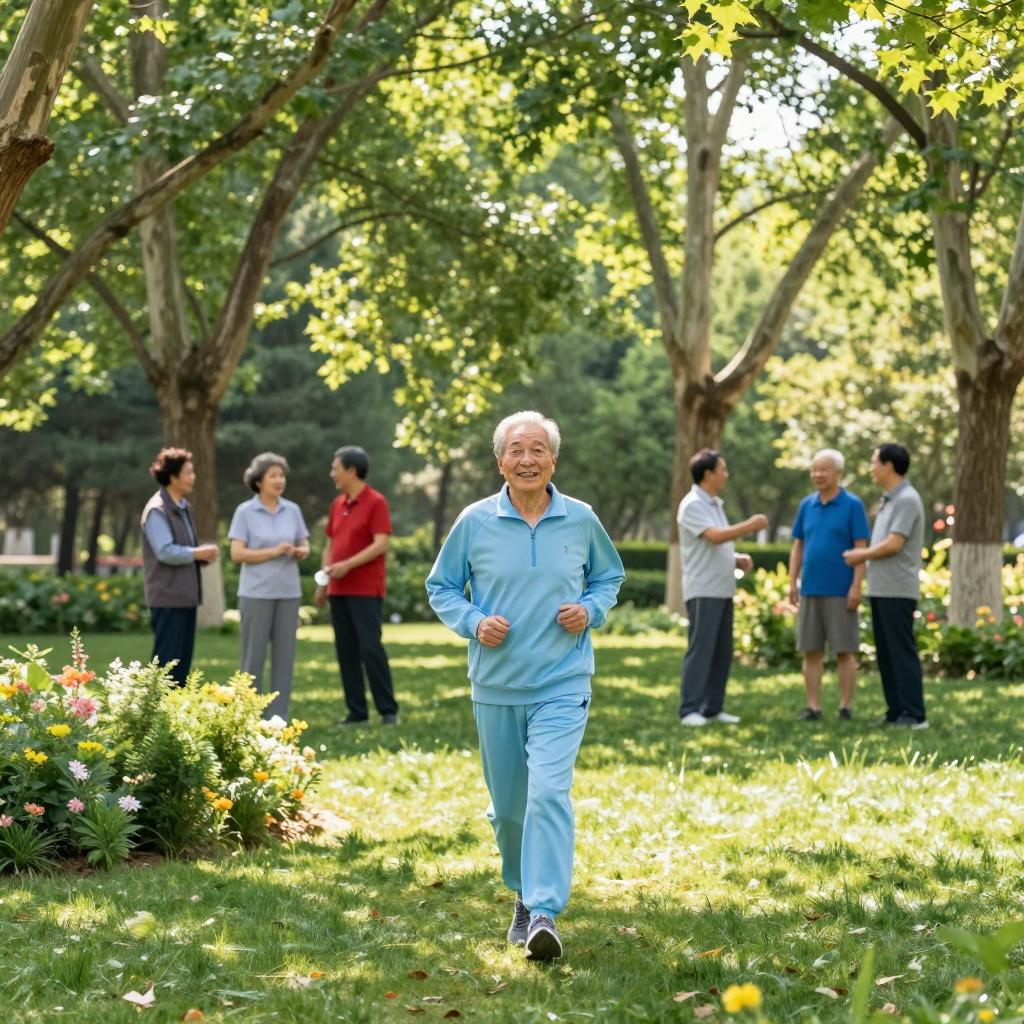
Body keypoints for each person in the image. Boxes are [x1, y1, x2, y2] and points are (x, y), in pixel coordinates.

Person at [426, 410, 624, 962]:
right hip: (496, 685)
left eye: (538, 449)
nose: (528, 459)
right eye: (517, 450)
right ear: (500, 461)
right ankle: (521, 888)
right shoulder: (474, 521)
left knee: (548, 793)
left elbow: (609, 577)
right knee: (509, 808)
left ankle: (543, 911)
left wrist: (589, 609)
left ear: (553, 460)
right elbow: (442, 587)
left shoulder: (581, 519)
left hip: (563, 681)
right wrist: (473, 621)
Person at [677, 449, 768, 726]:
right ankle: (689, 709)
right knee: (701, 650)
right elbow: (714, 536)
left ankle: (712, 708)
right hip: (703, 589)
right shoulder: (692, 504)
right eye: (722, 470)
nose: (726, 475)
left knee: (721, 651)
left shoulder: (714, 504)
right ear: (708, 474)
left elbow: (714, 543)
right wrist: (749, 526)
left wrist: (735, 557)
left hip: (722, 588)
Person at [843, 443, 928, 729]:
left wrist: (860, 556)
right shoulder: (890, 499)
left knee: (900, 651)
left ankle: (914, 714)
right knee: (887, 653)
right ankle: (896, 711)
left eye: (874, 462)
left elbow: (893, 544)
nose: (871, 468)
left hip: (897, 589)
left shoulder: (907, 499)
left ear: (889, 465)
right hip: (881, 588)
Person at [314, 446, 399, 726]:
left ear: (351, 470)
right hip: (338, 590)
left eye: (334, 468)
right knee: (346, 651)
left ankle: (388, 711)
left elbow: (380, 544)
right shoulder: (337, 504)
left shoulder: (376, 502)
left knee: (370, 648)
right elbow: (329, 544)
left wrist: (348, 565)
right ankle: (357, 713)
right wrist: (324, 579)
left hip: (365, 589)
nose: (331, 473)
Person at [788, 449, 870, 721]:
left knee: (844, 650)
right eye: (814, 469)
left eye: (823, 469)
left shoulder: (852, 505)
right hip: (811, 588)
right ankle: (813, 706)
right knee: (811, 650)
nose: (818, 475)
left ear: (838, 473)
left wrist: (856, 585)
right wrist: (792, 581)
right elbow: (798, 546)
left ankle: (845, 706)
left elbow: (861, 549)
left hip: (841, 590)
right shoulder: (806, 505)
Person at [228, 453, 310, 719]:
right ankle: (248, 716)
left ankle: (278, 718)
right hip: (256, 593)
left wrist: (299, 551)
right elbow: (237, 554)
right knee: (252, 658)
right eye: (273, 475)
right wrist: (274, 551)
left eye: (281, 475)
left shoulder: (293, 510)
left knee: (284, 659)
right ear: (258, 480)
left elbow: (305, 545)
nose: (279, 480)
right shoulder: (245, 512)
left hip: (288, 593)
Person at [140, 447, 219, 685]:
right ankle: (157, 714)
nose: (193, 477)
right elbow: (164, 551)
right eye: (188, 472)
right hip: (168, 598)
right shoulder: (157, 509)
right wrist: (197, 553)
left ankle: (174, 716)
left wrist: (200, 556)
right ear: (173, 477)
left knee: (182, 665)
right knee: (167, 664)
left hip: (184, 597)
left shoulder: (183, 507)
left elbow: (180, 549)